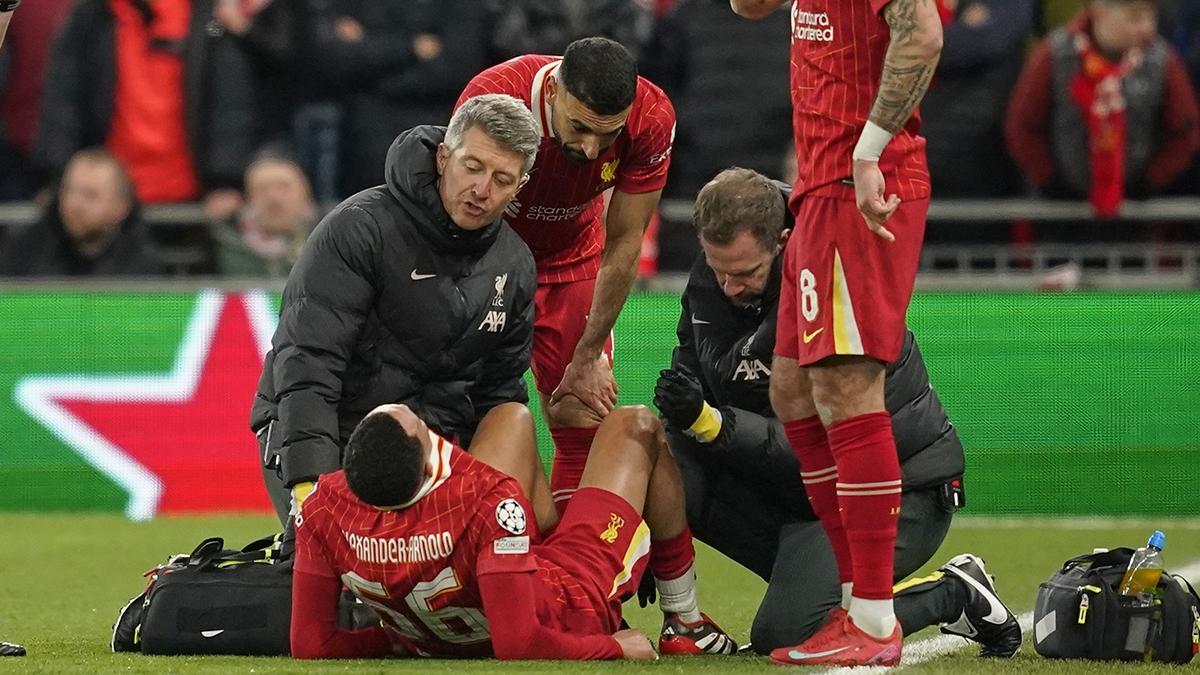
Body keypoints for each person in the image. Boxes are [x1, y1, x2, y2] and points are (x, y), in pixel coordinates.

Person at [654, 167, 1021, 657]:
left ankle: (953, 593)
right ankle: (688, 620)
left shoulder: (835, 277)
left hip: (898, 491)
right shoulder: (720, 273)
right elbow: (691, 383)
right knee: (664, 460)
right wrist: (650, 536)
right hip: (801, 491)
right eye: (717, 268)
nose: (728, 287)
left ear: (784, 242)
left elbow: (820, 439)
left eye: (744, 274)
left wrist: (710, 422)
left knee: (785, 635)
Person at [731, 0, 943, 666]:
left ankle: (875, 619)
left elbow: (923, 32)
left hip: (862, 180)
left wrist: (870, 150)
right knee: (793, 389)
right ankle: (856, 604)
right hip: (818, 186)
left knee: (849, 384)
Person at [250, 94, 540, 524]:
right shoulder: (360, 229)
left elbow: (497, 395)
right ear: (444, 157)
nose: (482, 190)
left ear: (520, 187)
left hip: (428, 456)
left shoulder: (514, 265)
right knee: (344, 584)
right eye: (473, 167)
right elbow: (309, 363)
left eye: (502, 179)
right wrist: (311, 485)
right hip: (330, 434)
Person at [290, 402, 737, 659]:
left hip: (462, 601)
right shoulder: (487, 498)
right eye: (424, 430)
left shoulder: (323, 507)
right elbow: (519, 642)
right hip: (566, 597)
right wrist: (612, 647)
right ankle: (685, 618)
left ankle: (549, 537)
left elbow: (311, 643)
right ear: (427, 466)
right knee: (636, 425)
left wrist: (404, 638)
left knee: (511, 416)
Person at [455, 36, 677, 511]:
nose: (592, 148)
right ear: (553, 91)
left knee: (579, 408)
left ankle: (572, 567)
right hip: (487, 259)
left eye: (608, 134)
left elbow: (624, 239)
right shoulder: (493, 99)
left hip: (573, 258)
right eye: (579, 127)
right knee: (473, 415)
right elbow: (459, 212)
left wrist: (589, 352)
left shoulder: (652, 118)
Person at [1005, 0, 1200, 216]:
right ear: (1098, 14)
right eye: (1134, 18)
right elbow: (1022, 126)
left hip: (1135, 211)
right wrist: (1049, 180)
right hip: (1059, 211)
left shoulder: (1161, 60)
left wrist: (1151, 181)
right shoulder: (1055, 54)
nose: (1147, 27)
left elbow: (1186, 131)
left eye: (1151, 17)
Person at [0, 148, 165, 277]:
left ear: (121, 208)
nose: (75, 205)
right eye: (68, 190)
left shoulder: (143, 266)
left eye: (90, 195)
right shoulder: (24, 254)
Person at [213, 151, 318, 278]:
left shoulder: (329, 246)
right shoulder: (226, 246)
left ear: (305, 195)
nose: (274, 198)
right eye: (262, 189)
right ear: (249, 200)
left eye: (284, 187)